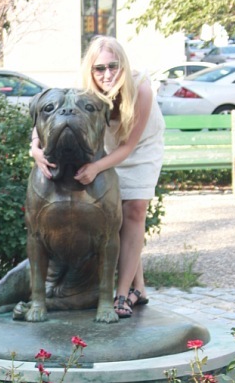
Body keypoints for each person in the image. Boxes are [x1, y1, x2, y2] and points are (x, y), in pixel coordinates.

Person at [30, 36, 165, 318]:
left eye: (113, 66)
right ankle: (139, 286)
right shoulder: (85, 88)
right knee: (114, 216)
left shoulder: (141, 89)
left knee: (134, 210)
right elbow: (44, 116)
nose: (107, 74)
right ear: (90, 70)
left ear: (123, 66)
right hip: (102, 147)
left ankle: (122, 294)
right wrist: (35, 149)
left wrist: (96, 168)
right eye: (99, 68)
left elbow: (127, 147)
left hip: (138, 148)